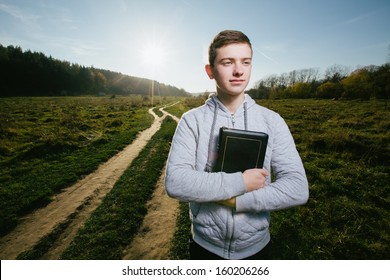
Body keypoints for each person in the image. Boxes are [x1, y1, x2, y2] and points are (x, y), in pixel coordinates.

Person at [165, 30, 309, 260]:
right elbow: (176, 182)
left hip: (257, 249)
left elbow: (298, 189)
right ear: (210, 71)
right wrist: (241, 182)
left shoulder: (272, 121)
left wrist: (236, 201)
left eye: (245, 62)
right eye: (227, 62)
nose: (239, 70)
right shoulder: (191, 121)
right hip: (205, 248)